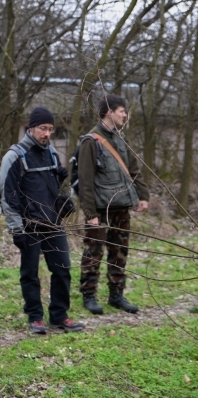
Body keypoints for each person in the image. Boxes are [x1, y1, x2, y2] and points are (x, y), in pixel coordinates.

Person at [0, 106, 85, 334]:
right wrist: (17, 228)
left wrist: (62, 191)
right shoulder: (14, 156)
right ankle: (35, 317)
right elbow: (7, 195)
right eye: (42, 128)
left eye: (50, 129)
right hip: (29, 226)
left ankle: (59, 315)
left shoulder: (52, 153)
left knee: (63, 268)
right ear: (31, 128)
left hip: (53, 223)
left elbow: (56, 189)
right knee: (30, 273)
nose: (47, 134)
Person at [77, 95, 149, 315]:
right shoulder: (91, 141)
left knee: (120, 253)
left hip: (122, 207)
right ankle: (89, 296)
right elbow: (85, 180)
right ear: (109, 112)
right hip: (100, 209)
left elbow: (134, 169)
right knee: (93, 252)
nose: (125, 115)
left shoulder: (121, 139)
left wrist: (143, 195)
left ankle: (116, 295)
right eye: (121, 111)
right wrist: (90, 213)